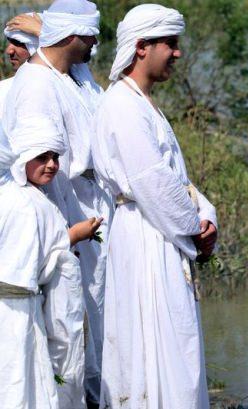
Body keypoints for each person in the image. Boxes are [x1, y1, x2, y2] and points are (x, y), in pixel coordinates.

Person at [92, 4, 218, 408]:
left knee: (175, 343)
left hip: (163, 230)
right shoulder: (122, 105)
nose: (178, 53)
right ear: (142, 47)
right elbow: (153, 183)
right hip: (146, 233)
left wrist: (207, 218)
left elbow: (177, 180)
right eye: (171, 43)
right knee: (153, 342)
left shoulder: (144, 104)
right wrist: (194, 231)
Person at [2, 1, 112, 403]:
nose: (96, 42)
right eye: (90, 35)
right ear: (71, 36)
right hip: (65, 206)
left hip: (94, 201)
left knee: (100, 314)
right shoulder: (35, 84)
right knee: (71, 320)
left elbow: (69, 51)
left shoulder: (76, 75)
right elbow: (36, 161)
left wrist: (44, 27)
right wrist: (63, 232)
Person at [0, 117, 101, 408]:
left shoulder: (16, 197)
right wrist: (72, 237)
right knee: (21, 384)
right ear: (22, 158)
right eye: (41, 157)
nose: (52, 164)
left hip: (21, 308)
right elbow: (34, 263)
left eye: (55, 157)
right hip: (18, 312)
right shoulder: (25, 203)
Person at [0, 12, 40, 116]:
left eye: (18, 43)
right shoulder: (3, 90)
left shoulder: (63, 85)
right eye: (9, 42)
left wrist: (41, 32)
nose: (9, 51)